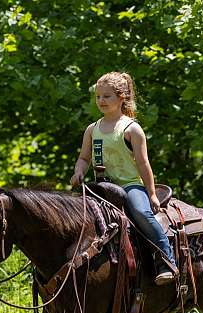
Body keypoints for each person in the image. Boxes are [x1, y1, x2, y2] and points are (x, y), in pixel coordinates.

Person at [70, 71, 177, 285]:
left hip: (129, 186)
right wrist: (79, 171)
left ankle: (166, 259)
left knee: (140, 212)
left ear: (122, 97)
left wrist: (152, 193)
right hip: (100, 187)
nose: (101, 100)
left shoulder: (131, 129)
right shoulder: (93, 129)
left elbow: (143, 164)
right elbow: (84, 157)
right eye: (98, 96)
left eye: (107, 96)